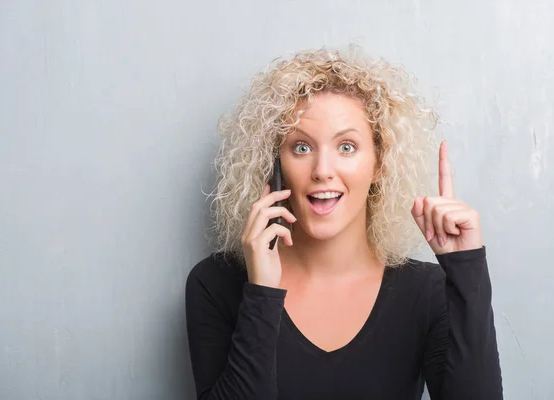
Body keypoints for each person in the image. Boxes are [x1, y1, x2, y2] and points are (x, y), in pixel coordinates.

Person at [185, 45, 503, 400]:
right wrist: (262, 294)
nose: (323, 171)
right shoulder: (216, 283)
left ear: (379, 163)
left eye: (347, 147)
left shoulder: (426, 291)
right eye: (301, 148)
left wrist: (467, 270)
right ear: (275, 167)